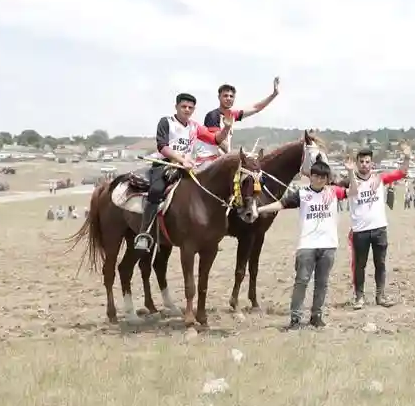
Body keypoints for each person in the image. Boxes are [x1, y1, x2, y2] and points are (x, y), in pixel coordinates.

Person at [254, 157, 347, 329]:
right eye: (315, 176)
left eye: (322, 177)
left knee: (322, 282)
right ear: (310, 176)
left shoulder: (333, 192)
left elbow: (353, 192)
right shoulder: (302, 194)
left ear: (327, 179)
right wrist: (259, 210)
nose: (318, 179)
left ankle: (316, 316)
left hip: (328, 246)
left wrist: (350, 172)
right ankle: (295, 318)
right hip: (307, 246)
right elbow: (281, 204)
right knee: (301, 281)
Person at [133, 93, 233, 252]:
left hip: (187, 167)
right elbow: (162, 147)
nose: (187, 110)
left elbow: (216, 140)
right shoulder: (166, 122)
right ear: (176, 107)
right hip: (164, 164)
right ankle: (144, 234)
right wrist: (180, 159)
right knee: (156, 190)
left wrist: (226, 127)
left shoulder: (195, 126)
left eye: (190, 107)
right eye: (184, 106)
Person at [347, 143, 410, 309]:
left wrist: (407, 157)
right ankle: (359, 297)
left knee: (380, 264)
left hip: (379, 229)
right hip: (360, 231)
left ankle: (380, 296)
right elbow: (331, 185)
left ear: (371, 163)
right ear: (357, 163)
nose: (364, 165)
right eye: (361, 161)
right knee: (359, 266)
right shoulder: (350, 181)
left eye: (367, 162)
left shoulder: (379, 178)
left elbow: (401, 173)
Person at [196, 78, 280, 165]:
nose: (228, 98)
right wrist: (236, 155)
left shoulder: (232, 115)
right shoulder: (213, 116)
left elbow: (256, 108)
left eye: (231, 96)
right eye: (225, 96)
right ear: (219, 97)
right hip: (207, 160)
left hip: (221, 159)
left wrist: (273, 95)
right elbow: (219, 142)